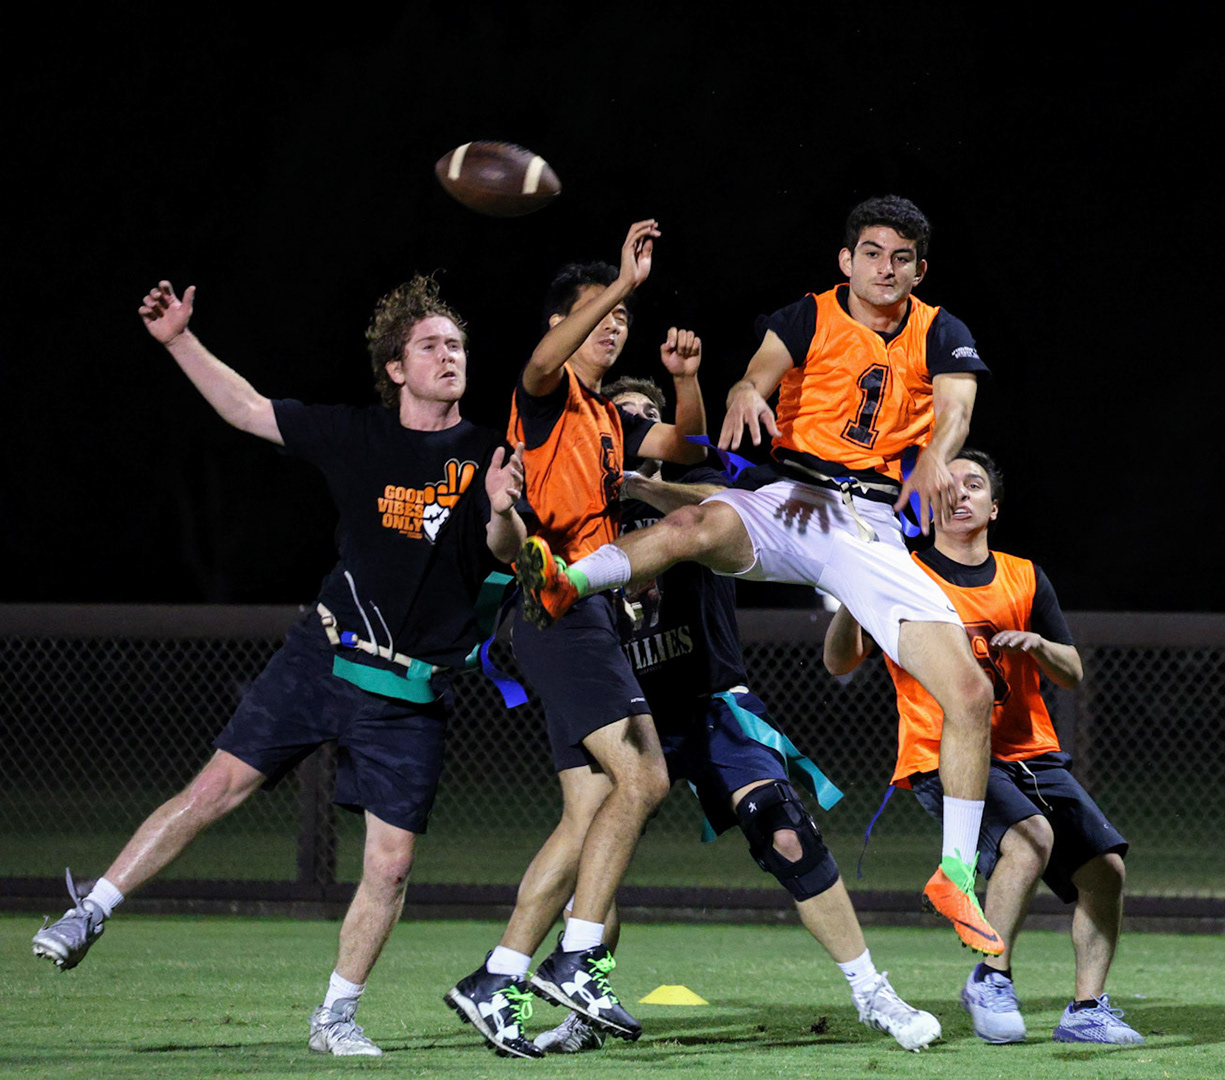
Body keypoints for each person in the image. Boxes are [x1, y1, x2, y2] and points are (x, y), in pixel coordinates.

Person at [30, 277, 527, 1058]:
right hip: (324, 657)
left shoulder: (489, 450)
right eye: (430, 345)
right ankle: (91, 908)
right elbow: (246, 409)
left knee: (391, 868)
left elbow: (501, 556)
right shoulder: (357, 435)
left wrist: (501, 508)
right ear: (396, 367)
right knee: (215, 788)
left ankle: (334, 1016)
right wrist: (178, 341)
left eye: (456, 345)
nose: (448, 356)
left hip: (408, 691)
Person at [514, 195, 1006, 955]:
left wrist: (939, 451)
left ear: (920, 269)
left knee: (971, 695)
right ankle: (569, 582)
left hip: (867, 526)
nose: (885, 269)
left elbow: (957, 409)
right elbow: (762, 371)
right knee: (694, 522)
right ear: (847, 261)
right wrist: (745, 388)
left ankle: (954, 874)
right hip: (794, 498)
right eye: (872, 253)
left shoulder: (942, 331)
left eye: (901, 258)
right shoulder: (810, 314)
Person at [527, 377, 943, 1055]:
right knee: (592, 857)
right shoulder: (581, 511)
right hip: (630, 715)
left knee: (784, 832)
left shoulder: (702, 492)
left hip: (713, 703)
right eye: (621, 419)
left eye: (646, 418)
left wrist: (647, 477)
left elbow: (721, 505)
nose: (634, 429)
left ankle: (874, 992)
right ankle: (581, 1005)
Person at [446, 225, 712, 1057]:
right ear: (567, 321)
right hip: (554, 605)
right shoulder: (547, 394)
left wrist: (686, 380)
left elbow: (692, 448)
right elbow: (537, 359)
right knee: (645, 775)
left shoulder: (605, 418)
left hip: (577, 612)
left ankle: (497, 978)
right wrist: (621, 284)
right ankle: (581, 957)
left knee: (590, 810)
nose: (614, 325)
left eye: (621, 319)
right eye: (597, 316)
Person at [822, 448, 1144, 1046]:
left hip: (1030, 752)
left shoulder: (1023, 576)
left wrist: (1040, 648)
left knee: (1105, 870)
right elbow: (839, 662)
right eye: (949, 483)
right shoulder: (902, 571)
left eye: (974, 485)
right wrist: (851, 589)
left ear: (993, 508)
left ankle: (1087, 1009)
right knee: (1030, 840)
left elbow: (1072, 669)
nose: (960, 492)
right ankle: (990, 979)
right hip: (940, 754)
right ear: (929, 501)